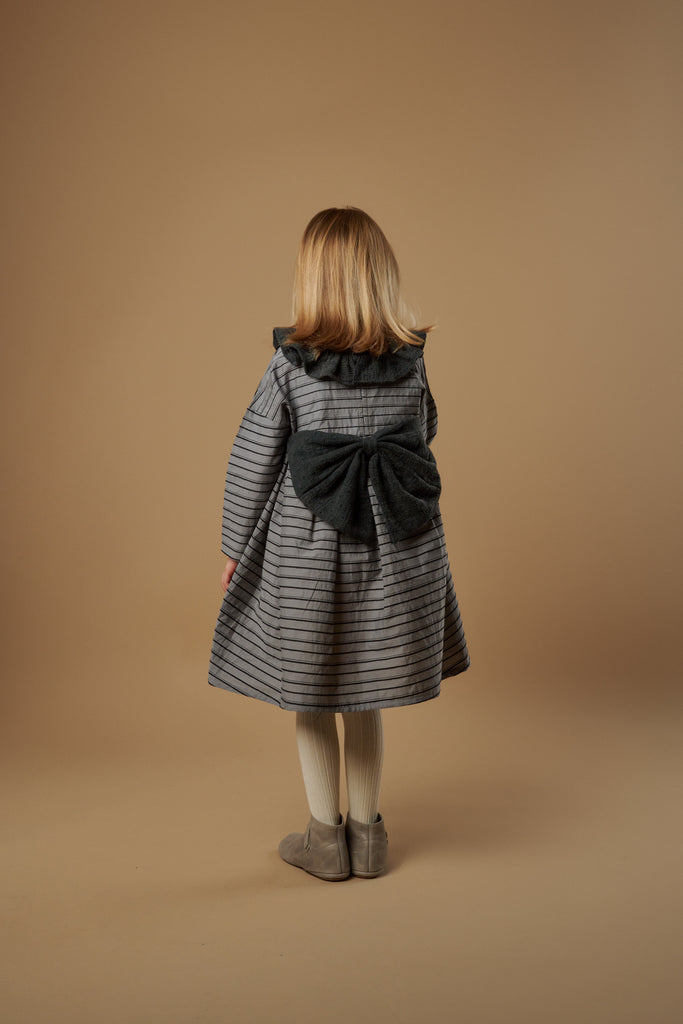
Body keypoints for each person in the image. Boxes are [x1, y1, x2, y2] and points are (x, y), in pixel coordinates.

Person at [208, 206, 471, 882]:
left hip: (310, 547)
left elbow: (254, 454)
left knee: (313, 690)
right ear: (380, 276)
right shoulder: (411, 363)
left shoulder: (289, 366)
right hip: (395, 546)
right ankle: (368, 835)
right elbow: (424, 430)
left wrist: (235, 544)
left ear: (312, 279)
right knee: (365, 689)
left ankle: (324, 839)